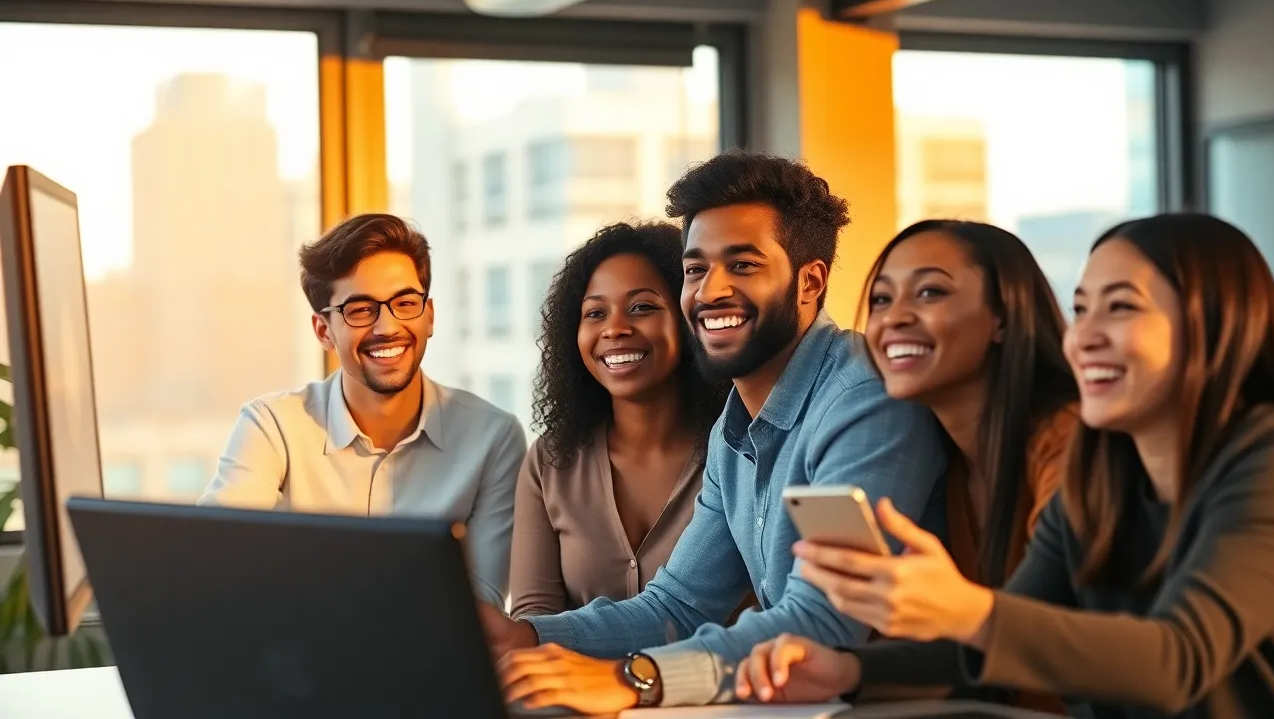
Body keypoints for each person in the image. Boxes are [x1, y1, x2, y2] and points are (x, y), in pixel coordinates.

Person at [737, 213, 1274, 718]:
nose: (1085, 336)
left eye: (1122, 308)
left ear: (1214, 324)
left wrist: (968, 609)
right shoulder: (1100, 466)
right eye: (1082, 310)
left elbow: (1178, 659)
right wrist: (845, 668)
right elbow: (994, 651)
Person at [482, 151, 948, 714]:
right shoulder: (735, 428)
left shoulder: (862, 398)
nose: (710, 291)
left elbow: (822, 621)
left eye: (744, 265)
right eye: (696, 268)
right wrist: (526, 637)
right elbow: (677, 604)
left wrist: (639, 679)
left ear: (810, 282)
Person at [804, 219, 1077, 712]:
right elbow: (974, 652)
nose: (894, 319)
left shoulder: (1065, 440)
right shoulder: (947, 456)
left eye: (929, 293)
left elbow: (1026, 630)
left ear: (1004, 317)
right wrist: (844, 670)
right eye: (882, 300)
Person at [200, 214, 527, 608]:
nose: (387, 326)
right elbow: (216, 568)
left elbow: (482, 608)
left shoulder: (493, 438)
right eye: (359, 310)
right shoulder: (272, 427)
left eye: (406, 303)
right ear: (323, 331)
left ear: (429, 316)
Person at [508, 221, 730, 618]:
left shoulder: (738, 450)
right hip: (575, 681)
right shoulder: (551, 461)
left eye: (642, 307)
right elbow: (533, 620)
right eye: (595, 313)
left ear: (687, 317)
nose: (614, 329)